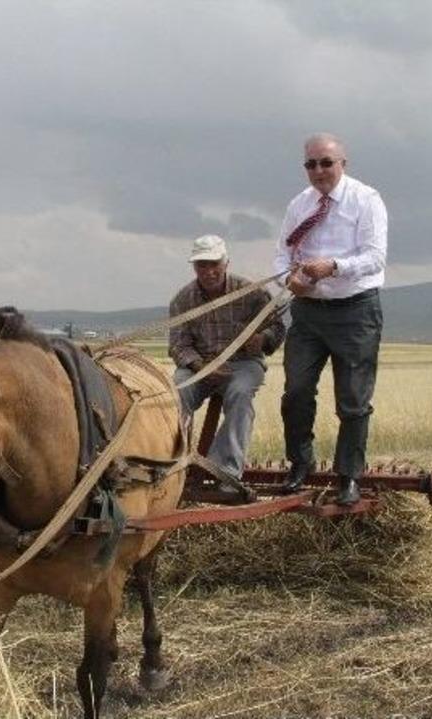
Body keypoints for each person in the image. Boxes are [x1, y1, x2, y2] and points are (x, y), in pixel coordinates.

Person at [274, 133, 387, 506]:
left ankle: (349, 476)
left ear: (343, 164)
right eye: (311, 164)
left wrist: (333, 267)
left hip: (355, 311)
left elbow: (375, 258)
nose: (319, 170)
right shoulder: (298, 205)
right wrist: (289, 281)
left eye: (326, 162)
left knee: (353, 401)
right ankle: (299, 465)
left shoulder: (366, 200)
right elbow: (281, 256)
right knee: (296, 392)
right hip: (308, 313)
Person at [169, 234, 284, 488]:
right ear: (194, 267)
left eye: (214, 264)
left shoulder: (253, 293)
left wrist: (262, 339)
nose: (209, 271)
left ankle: (227, 471)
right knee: (175, 394)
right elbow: (178, 345)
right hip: (200, 365)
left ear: (226, 263)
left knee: (240, 394)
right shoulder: (182, 300)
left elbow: (277, 329)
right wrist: (201, 366)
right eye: (202, 265)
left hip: (243, 364)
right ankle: (175, 464)